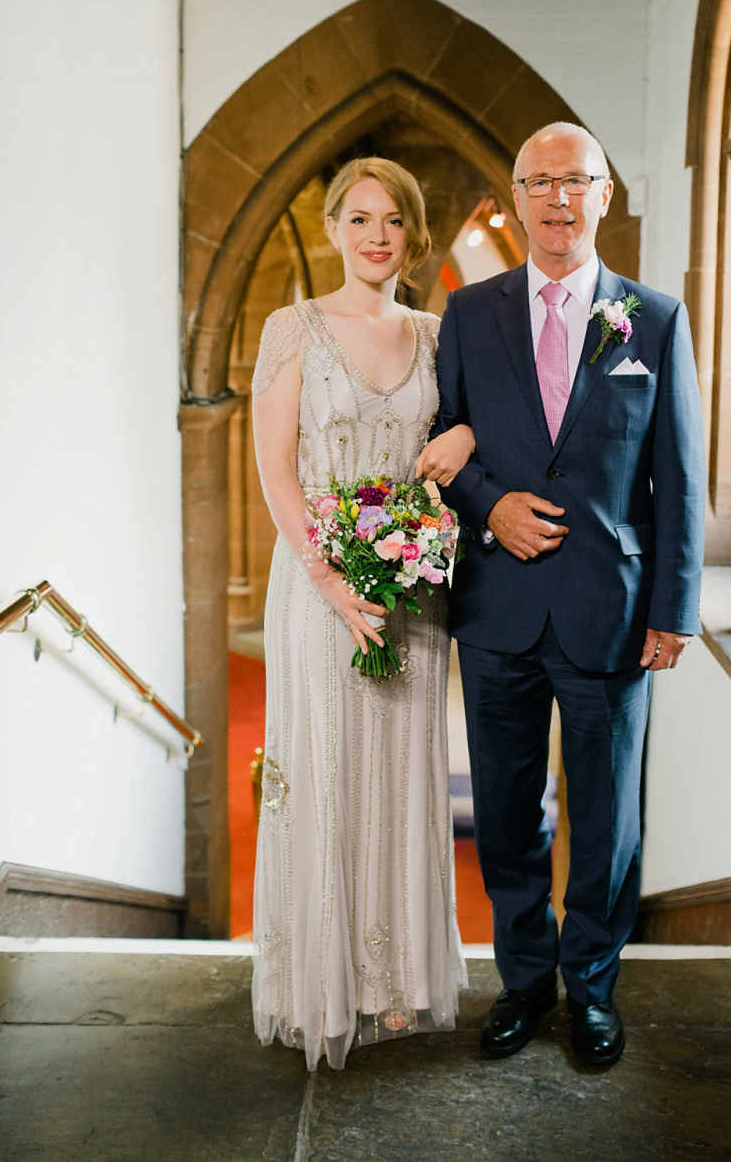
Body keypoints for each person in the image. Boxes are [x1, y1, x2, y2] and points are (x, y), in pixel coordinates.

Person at [433, 122, 705, 1066]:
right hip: (500, 609)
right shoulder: (470, 313)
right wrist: (487, 502)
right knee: (508, 816)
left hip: (614, 613)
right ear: (515, 200)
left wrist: (674, 609)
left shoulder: (655, 320)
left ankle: (592, 987)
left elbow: (679, 476)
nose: (557, 199)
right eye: (539, 182)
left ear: (605, 195)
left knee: (607, 819)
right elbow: (447, 436)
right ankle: (524, 982)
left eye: (575, 181)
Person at [250, 156, 475, 1071]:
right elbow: (273, 473)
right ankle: (324, 983)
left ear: (413, 238)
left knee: (402, 777)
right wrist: (333, 585)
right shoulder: (291, 328)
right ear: (334, 228)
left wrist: (465, 435)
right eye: (360, 218)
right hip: (318, 589)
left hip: (412, 594)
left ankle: (394, 988)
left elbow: (468, 429)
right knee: (331, 775)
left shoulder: (436, 332)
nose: (376, 235)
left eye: (394, 221)